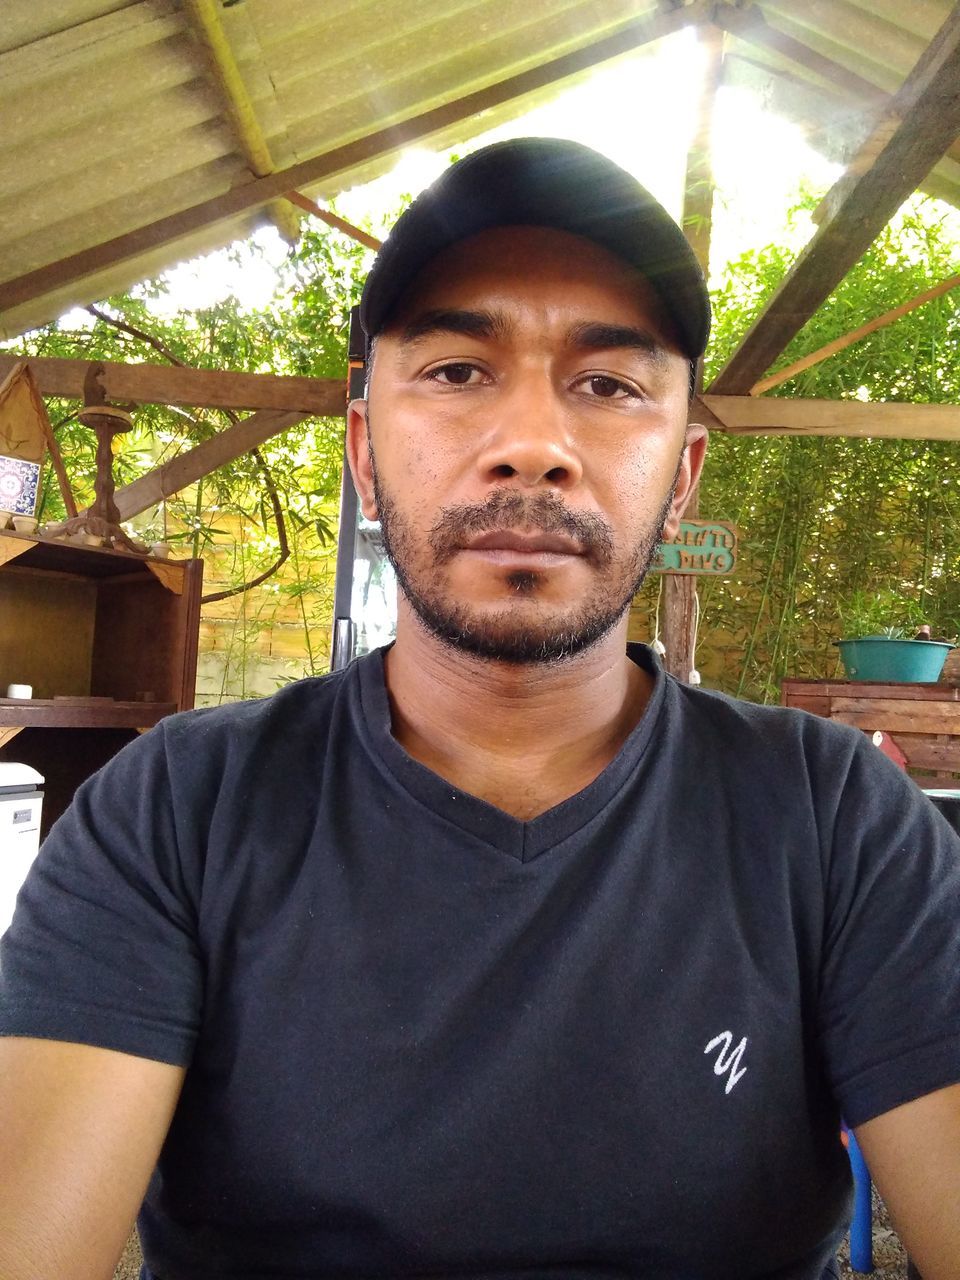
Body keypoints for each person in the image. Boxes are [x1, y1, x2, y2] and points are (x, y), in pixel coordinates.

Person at [1, 138, 958, 1280]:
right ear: (364, 448)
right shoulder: (177, 810)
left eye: (608, 384)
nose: (532, 447)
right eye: (457, 370)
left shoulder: (835, 816)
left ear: (684, 474)